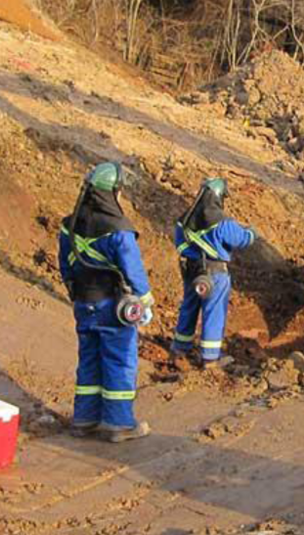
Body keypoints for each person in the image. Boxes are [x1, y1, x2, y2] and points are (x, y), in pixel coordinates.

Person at [59, 162, 153, 443]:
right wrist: (146, 302)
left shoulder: (69, 225)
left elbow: (65, 265)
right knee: (119, 361)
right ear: (112, 192)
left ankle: (84, 419)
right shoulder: (118, 229)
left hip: (83, 304)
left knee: (88, 360)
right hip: (112, 307)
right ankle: (119, 423)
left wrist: (77, 293)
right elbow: (132, 269)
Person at [171, 177, 255, 367]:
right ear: (218, 196)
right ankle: (210, 359)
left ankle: (179, 349)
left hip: (191, 271)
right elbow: (240, 239)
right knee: (214, 313)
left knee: (189, 308)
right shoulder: (221, 221)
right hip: (215, 273)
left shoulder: (184, 220)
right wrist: (251, 233)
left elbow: (179, 244)